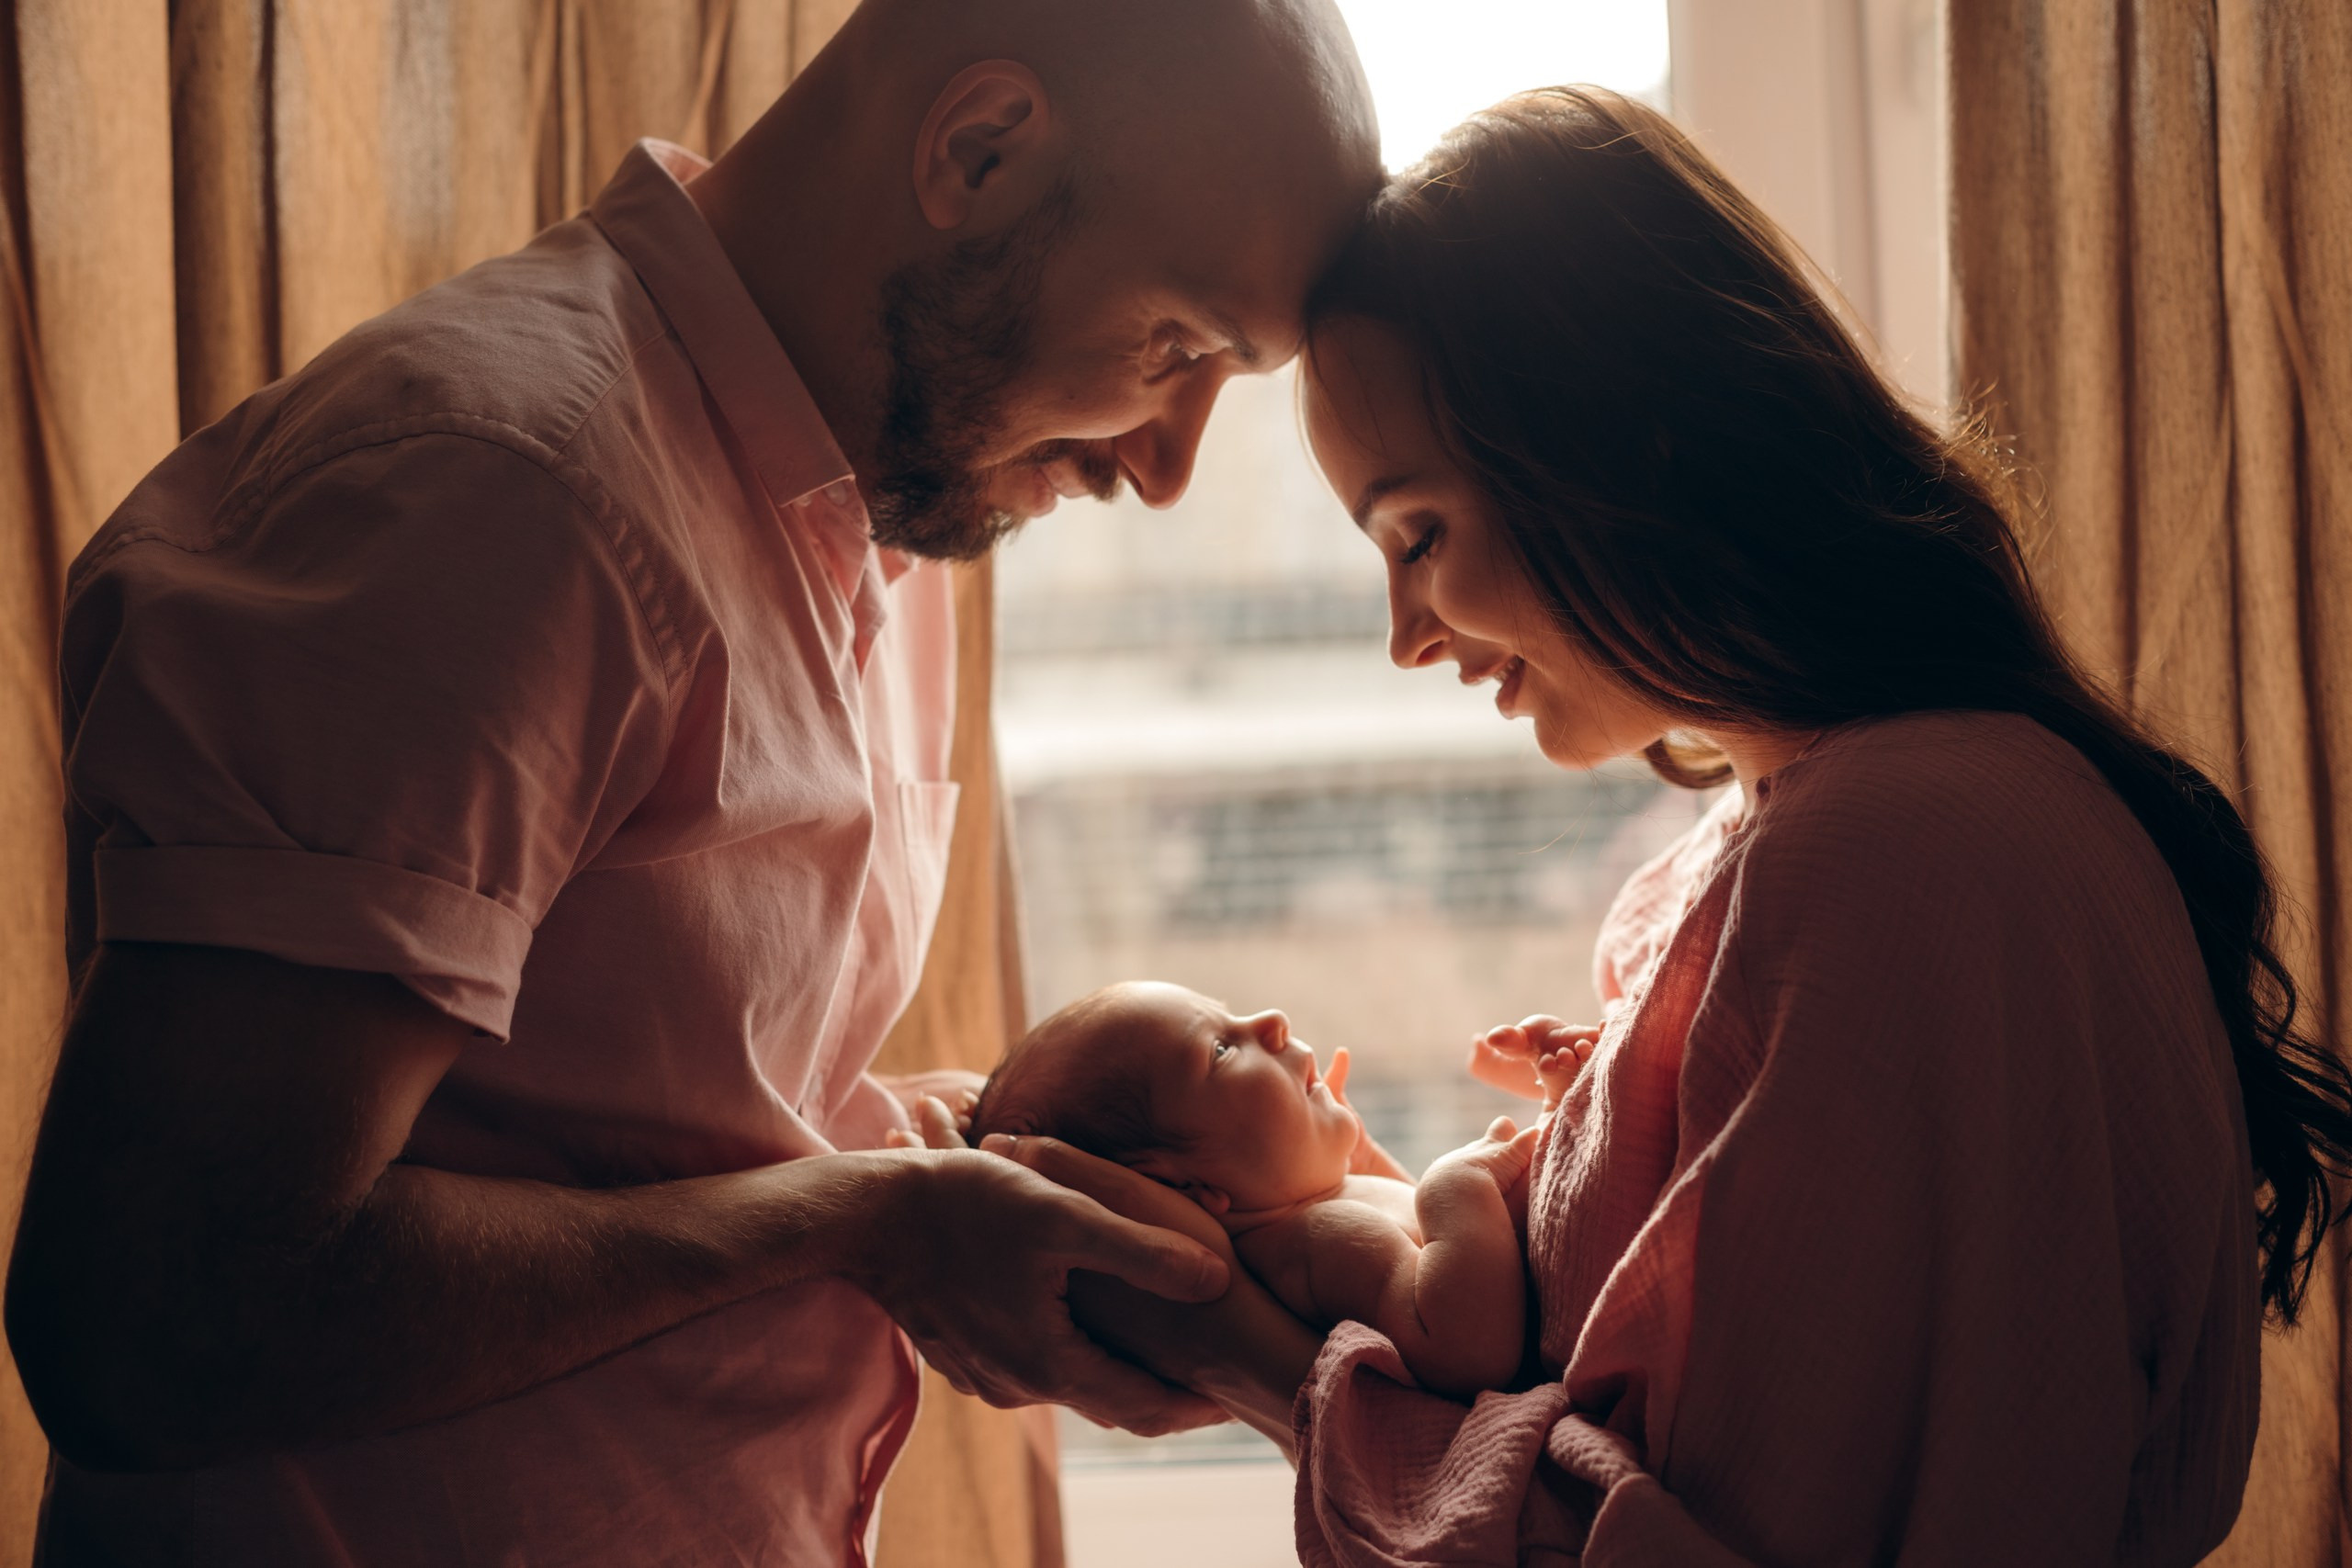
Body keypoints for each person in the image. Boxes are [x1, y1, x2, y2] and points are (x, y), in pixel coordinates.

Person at [4, 2, 1378, 1562]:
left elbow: (626, 1110)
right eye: (1179, 346)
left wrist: (992, 1166)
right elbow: (160, 1313)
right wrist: (868, 1219)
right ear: (975, 150)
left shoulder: (889, 523)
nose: (1170, 462)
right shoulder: (507, 500)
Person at [988, 87, 2352, 1562]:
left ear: (1621, 448)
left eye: (1418, 536)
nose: (1404, 636)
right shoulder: (1775, 860)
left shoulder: (1910, 857)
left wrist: (1258, 1357)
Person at [925, 980, 1577, 1395]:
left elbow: (1459, 1259)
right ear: (1188, 1184)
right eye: (1221, 1050)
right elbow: (1468, 1347)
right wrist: (1454, 1188)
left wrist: (1557, 1112)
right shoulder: (1315, 1242)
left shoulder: (1321, 1213)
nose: (1271, 1019)